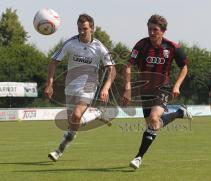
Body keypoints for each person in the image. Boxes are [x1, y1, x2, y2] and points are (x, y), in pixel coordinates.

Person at [122, 14, 192, 169]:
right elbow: (128, 66)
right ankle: (178, 113)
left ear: (163, 31)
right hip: (144, 90)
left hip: (163, 88)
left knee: (154, 118)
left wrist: (177, 86)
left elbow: (184, 67)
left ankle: (138, 157)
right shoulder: (141, 45)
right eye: (149, 29)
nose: (152, 32)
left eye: (155, 29)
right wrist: (127, 88)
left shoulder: (173, 47)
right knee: (154, 125)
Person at [44, 13, 116, 161]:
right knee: (73, 123)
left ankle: (58, 151)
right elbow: (53, 62)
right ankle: (95, 114)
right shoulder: (70, 43)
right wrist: (49, 84)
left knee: (77, 115)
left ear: (92, 28)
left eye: (85, 29)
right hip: (70, 86)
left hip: (89, 85)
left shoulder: (99, 47)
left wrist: (106, 88)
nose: (82, 32)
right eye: (79, 29)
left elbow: (112, 69)